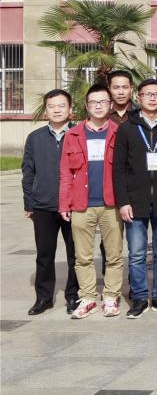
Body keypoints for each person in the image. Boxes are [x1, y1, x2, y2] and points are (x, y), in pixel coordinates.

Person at [113, 78, 157, 318]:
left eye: (156, 94)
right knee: (137, 254)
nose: (152, 98)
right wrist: (123, 201)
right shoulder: (127, 128)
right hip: (135, 202)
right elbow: (118, 169)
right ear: (138, 97)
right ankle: (140, 297)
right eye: (147, 94)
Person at [61, 84, 123, 318]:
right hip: (81, 205)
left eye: (103, 102)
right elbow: (65, 173)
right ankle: (87, 297)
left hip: (111, 204)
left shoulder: (119, 132)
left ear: (110, 105)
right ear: (86, 106)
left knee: (114, 255)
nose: (98, 106)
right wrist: (64, 203)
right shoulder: (73, 134)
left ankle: (111, 296)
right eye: (94, 102)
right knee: (82, 256)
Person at [23, 88, 80, 315]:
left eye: (61, 106)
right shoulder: (35, 138)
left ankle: (73, 295)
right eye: (51, 106)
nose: (56, 110)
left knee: (75, 254)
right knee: (44, 255)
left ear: (70, 109)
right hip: (43, 206)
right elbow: (28, 172)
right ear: (45, 110)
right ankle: (44, 298)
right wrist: (29, 203)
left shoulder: (79, 134)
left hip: (74, 206)